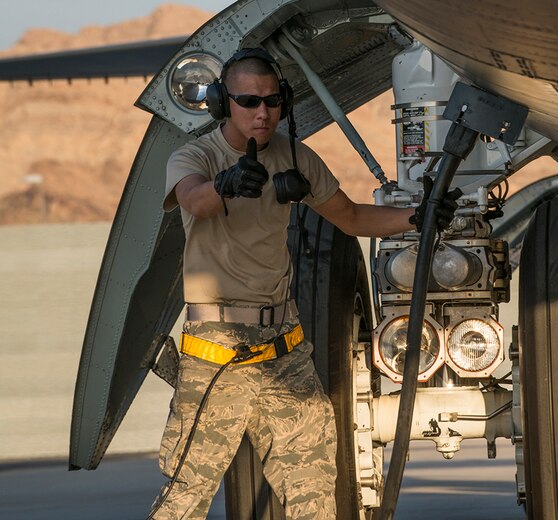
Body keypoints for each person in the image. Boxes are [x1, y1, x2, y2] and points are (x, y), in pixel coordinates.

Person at [151, 47, 459, 520]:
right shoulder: (197, 155)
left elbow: (352, 217)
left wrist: (417, 218)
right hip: (217, 353)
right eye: (249, 102)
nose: (262, 113)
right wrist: (228, 183)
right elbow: (194, 200)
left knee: (315, 492)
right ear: (222, 104)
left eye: (272, 102)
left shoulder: (295, 157)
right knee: (186, 497)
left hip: (284, 350)